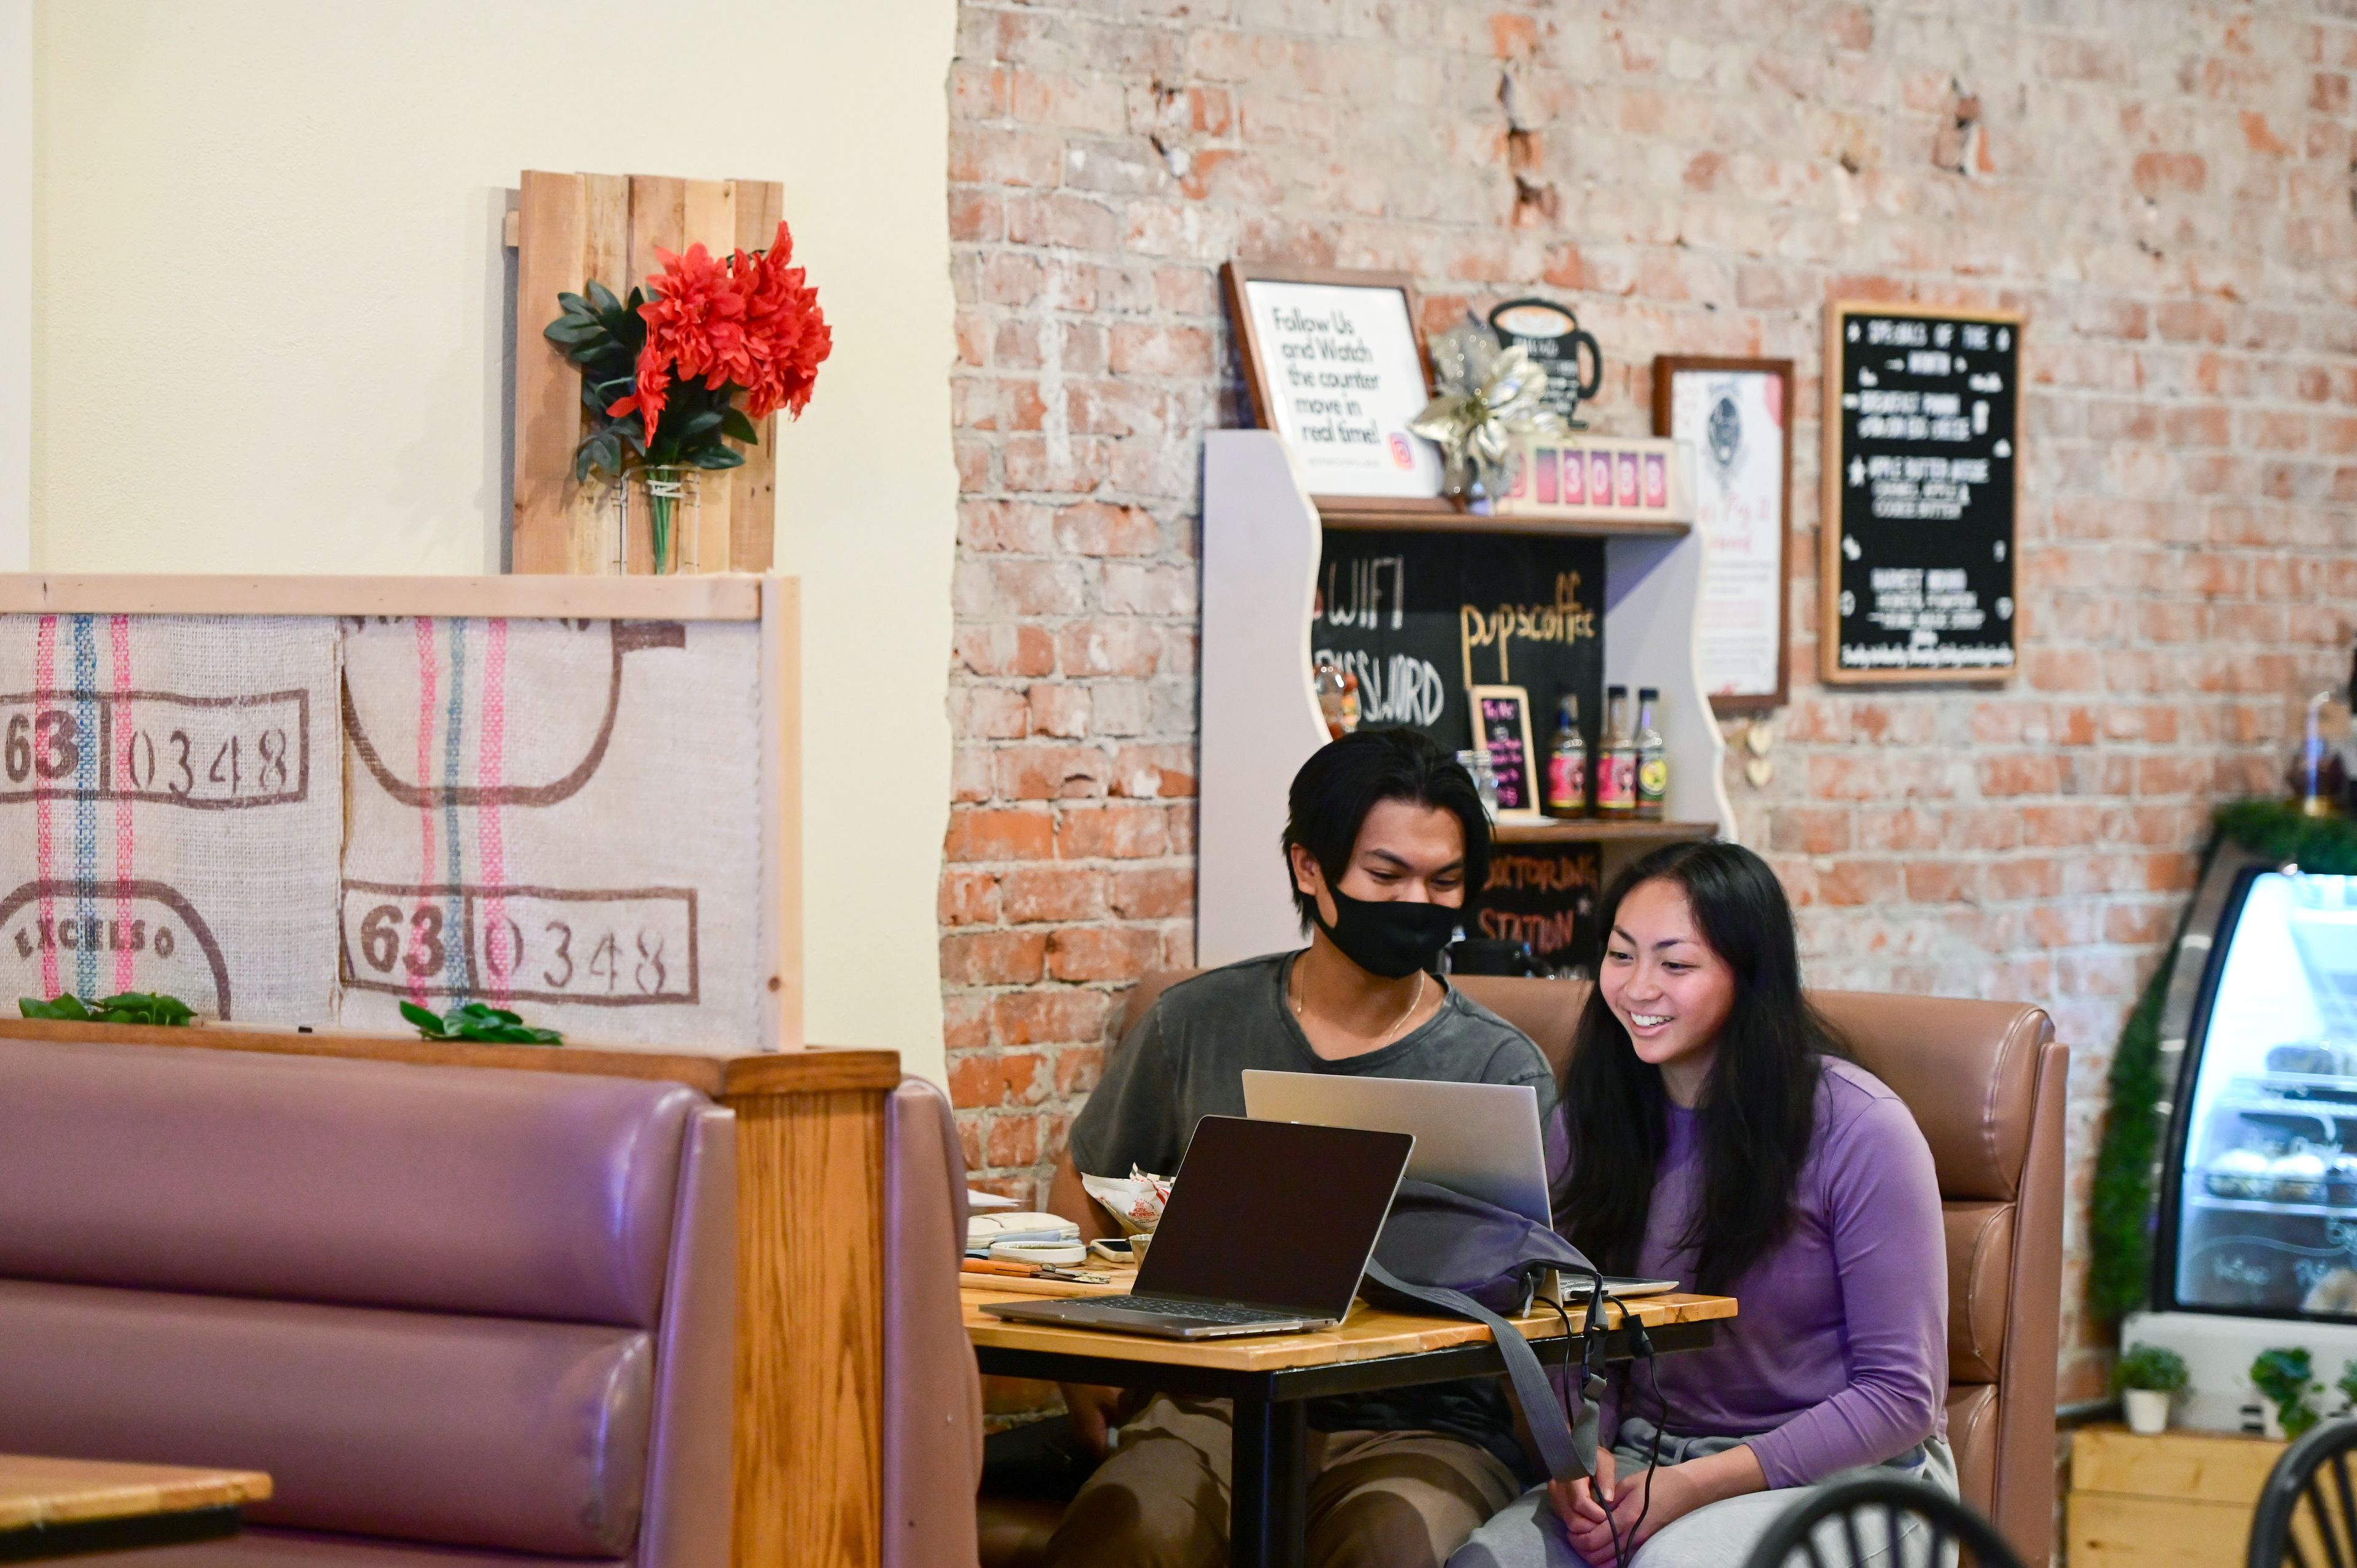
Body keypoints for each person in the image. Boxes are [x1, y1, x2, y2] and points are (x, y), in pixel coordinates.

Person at [1035, 727, 1561, 1568]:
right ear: (1309, 867)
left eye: (1446, 880)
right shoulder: (1196, 1022)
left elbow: (1546, 1284)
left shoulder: (1499, 1065)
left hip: (1422, 1420)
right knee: (1131, 1534)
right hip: (1213, 1407)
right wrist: (1088, 1378)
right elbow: (1085, 1179)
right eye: (1387, 875)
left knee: (1392, 1544)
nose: (1417, 901)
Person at [1450, 840, 1949, 1568]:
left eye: (1676, 964)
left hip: (1859, 1481)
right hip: (1649, 1460)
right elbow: (1565, 1324)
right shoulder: (1590, 1121)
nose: (1639, 987)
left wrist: (1688, 1486)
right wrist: (1581, 1462)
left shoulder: (1861, 1126)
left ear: (1749, 977)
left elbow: (1902, 1396)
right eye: (1621, 956)